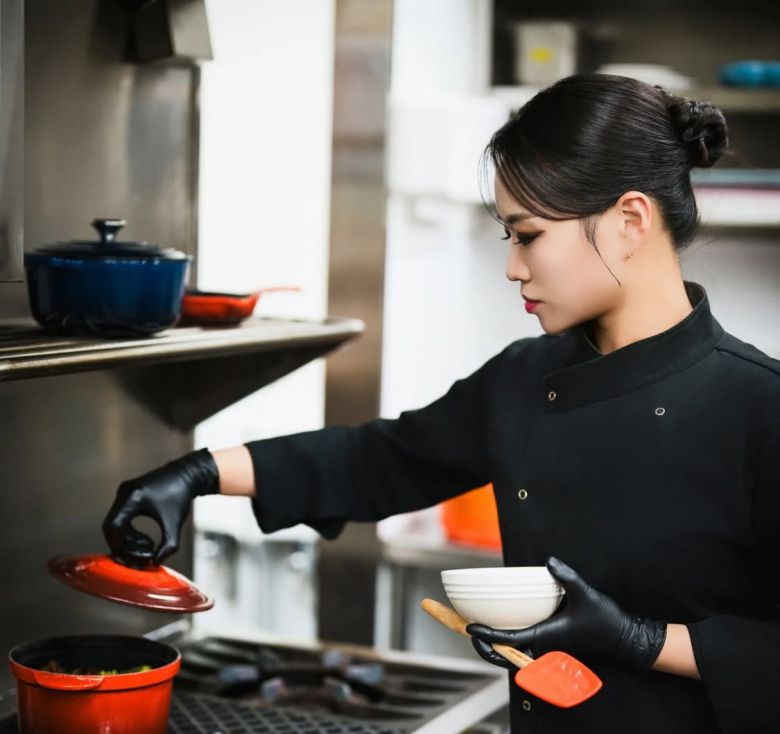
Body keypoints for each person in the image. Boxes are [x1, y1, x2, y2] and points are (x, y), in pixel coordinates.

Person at [102, 74, 780, 733]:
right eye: (508, 237)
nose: (513, 265)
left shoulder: (759, 408)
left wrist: (636, 639)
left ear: (630, 220)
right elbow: (380, 459)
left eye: (529, 234)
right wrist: (198, 473)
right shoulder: (524, 379)